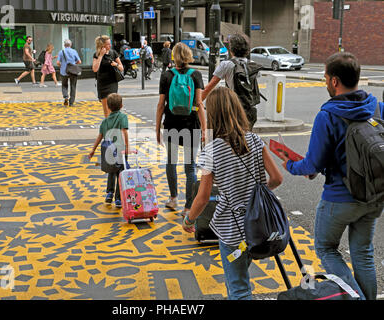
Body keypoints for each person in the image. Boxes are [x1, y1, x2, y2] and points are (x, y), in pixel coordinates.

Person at [280, 52, 384, 300]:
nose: (325, 83)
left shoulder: (328, 115)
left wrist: (291, 165)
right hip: (374, 195)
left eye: (326, 78)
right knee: (363, 253)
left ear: (335, 81)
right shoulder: (378, 107)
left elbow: (312, 163)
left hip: (340, 198)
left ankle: (354, 298)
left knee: (326, 248)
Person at [182, 86, 283, 300]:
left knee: (238, 288)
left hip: (231, 229)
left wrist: (189, 220)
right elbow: (276, 178)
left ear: (213, 115)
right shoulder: (255, 141)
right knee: (241, 281)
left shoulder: (211, 150)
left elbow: (203, 196)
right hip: (258, 226)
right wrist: (257, 195)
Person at [156, 42, 206, 217]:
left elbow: (161, 105)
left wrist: (157, 129)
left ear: (174, 56)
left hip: (171, 125)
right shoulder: (196, 75)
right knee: (190, 167)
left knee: (171, 162)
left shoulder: (167, 76)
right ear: (189, 56)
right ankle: (188, 207)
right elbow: (199, 104)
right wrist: (205, 129)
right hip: (192, 125)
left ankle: (173, 198)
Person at [202, 32, 261, 129]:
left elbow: (209, 87)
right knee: (247, 138)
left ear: (231, 49)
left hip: (233, 110)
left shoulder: (226, 65)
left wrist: (197, 103)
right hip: (250, 110)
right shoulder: (253, 65)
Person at [88, 93, 129, 208]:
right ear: (121, 105)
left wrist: (93, 150)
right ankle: (118, 199)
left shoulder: (105, 122)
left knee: (111, 171)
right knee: (120, 173)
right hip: (120, 150)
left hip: (108, 151)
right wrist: (127, 147)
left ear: (109, 107)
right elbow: (124, 132)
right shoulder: (122, 117)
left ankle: (109, 193)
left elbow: (100, 136)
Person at [93, 35, 123, 118]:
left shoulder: (113, 53)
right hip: (102, 84)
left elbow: (121, 68)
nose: (110, 45)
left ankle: (113, 126)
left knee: (112, 108)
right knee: (106, 110)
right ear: (102, 45)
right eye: (108, 44)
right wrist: (101, 56)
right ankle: (109, 127)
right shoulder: (97, 55)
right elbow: (95, 69)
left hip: (112, 82)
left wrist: (116, 64)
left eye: (110, 44)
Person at [57, 39, 81, 107]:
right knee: (73, 86)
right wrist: (73, 64)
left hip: (63, 71)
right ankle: (71, 102)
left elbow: (58, 62)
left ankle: (65, 97)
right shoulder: (74, 51)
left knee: (64, 85)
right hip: (73, 71)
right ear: (71, 45)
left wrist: (62, 66)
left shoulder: (61, 52)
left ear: (64, 45)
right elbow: (79, 61)